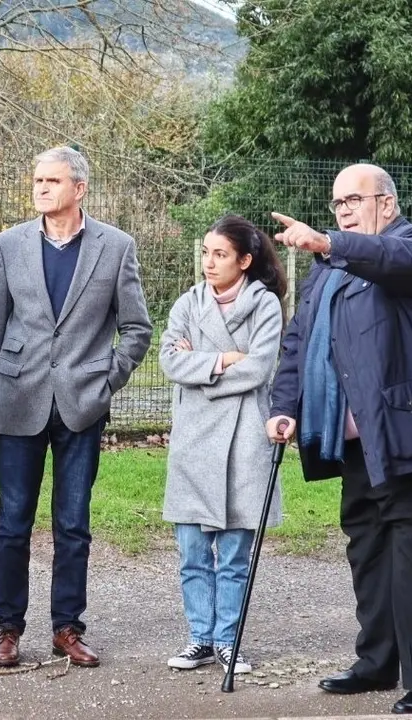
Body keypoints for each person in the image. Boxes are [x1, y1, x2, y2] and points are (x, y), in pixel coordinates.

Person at [267, 163, 412, 714]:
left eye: (352, 200)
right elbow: (298, 342)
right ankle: (377, 662)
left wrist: (329, 242)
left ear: (385, 204)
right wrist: (284, 407)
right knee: (367, 549)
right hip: (360, 445)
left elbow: (398, 263)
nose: (342, 210)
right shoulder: (327, 272)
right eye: (336, 203)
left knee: (411, 555)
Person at [0, 146, 152, 668]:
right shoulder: (8, 245)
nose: (42, 188)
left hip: (82, 406)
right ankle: (7, 627)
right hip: (16, 399)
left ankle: (67, 628)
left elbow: (138, 328)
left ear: (80, 189)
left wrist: (106, 380)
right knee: (12, 522)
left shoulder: (115, 247)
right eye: (37, 180)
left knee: (73, 523)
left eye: (52, 180)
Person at [159, 215, 286, 676]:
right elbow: (170, 361)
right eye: (205, 253)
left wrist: (203, 369)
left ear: (245, 261)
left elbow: (259, 370)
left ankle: (227, 641)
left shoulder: (266, 306)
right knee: (192, 551)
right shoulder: (187, 303)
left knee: (234, 555)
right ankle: (199, 638)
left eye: (220, 254)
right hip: (193, 442)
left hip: (244, 443)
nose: (209, 263)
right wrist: (223, 360)